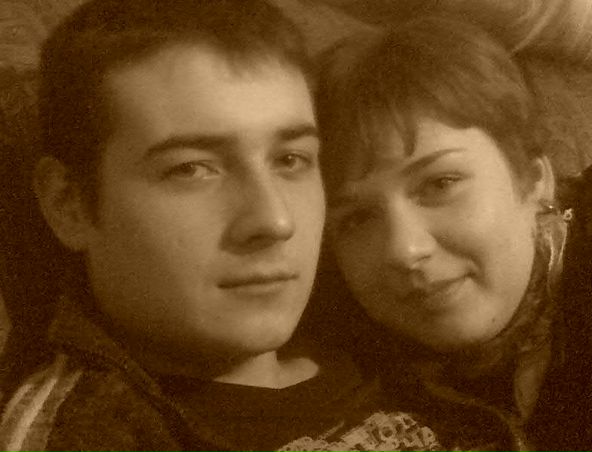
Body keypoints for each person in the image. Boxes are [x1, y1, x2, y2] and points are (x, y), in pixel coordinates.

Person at [0, 1, 460, 451]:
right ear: (69, 205)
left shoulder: (396, 327)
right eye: (190, 169)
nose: (276, 221)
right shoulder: (84, 434)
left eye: (291, 159)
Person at [316, 15, 592, 452]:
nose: (404, 249)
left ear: (533, 179)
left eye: (440, 184)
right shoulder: (345, 362)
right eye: (356, 219)